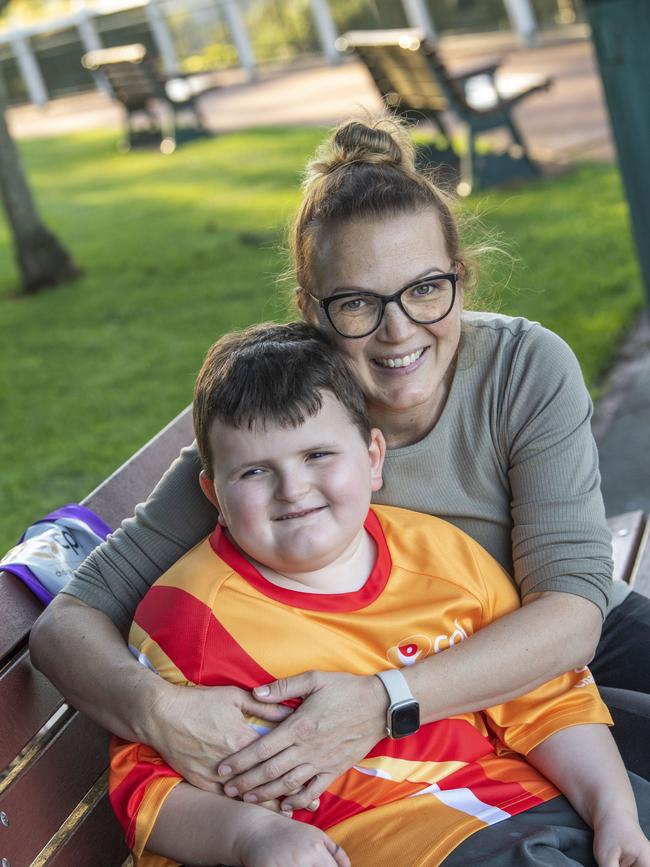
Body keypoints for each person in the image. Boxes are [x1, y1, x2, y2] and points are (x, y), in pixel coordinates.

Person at [30, 118, 650, 810]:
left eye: (425, 289)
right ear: (310, 311)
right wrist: (162, 713)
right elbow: (65, 627)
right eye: (358, 302)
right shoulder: (285, 440)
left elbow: (570, 614)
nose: (398, 329)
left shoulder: (522, 367)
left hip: (543, 665)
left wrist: (385, 701)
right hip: (435, 730)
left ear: (461, 277)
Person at [109, 321, 649, 867]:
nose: (293, 488)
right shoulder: (191, 617)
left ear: (373, 458)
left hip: (532, 804)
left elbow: (546, 703)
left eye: (318, 454)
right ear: (213, 493)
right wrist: (250, 836)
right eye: (254, 471)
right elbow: (144, 786)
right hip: (398, 842)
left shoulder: (442, 555)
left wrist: (615, 814)